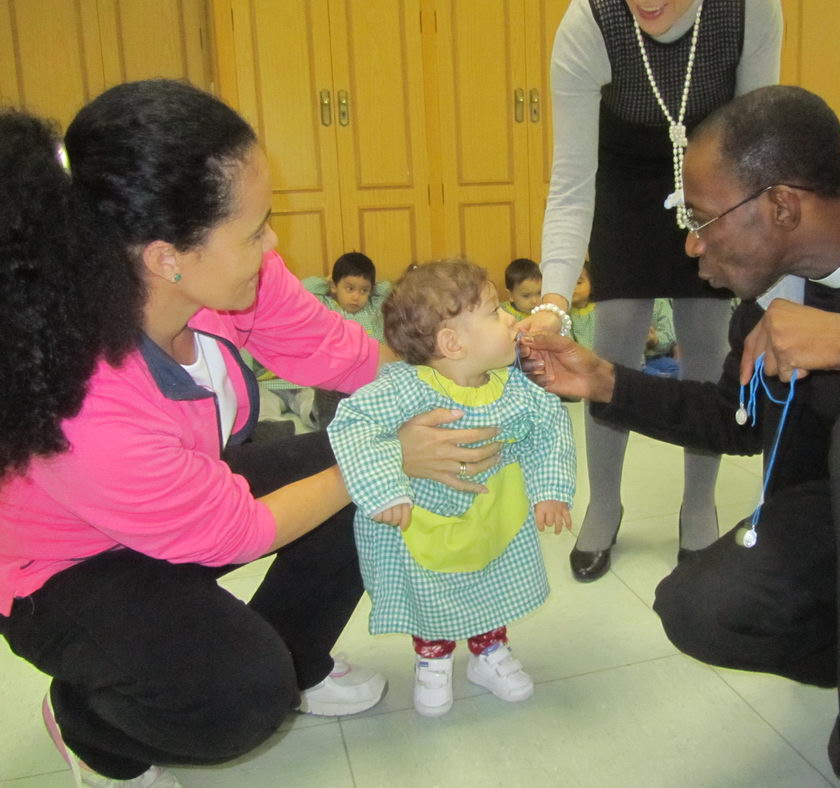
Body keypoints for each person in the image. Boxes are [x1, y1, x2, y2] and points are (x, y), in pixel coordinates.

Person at [521, 85, 840, 787]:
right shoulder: (777, 294)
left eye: (701, 218)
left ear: (781, 205)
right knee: (705, 608)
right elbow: (733, 418)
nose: (690, 241)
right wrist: (604, 382)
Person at [0, 80, 501, 788]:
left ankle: (296, 659)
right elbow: (232, 532)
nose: (273, 242)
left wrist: (464, 367)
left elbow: (346, 354)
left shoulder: (230, 281)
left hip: (183, 500)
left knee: (364, 473)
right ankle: (92, 729)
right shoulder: (90, 396)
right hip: (69, 572)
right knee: (241, 696)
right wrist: (381, 457)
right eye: (255, 226)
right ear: (167, 255)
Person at [519, 0, 783, 581]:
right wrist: (554, 301)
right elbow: (570, 184)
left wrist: (760, 268)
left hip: (717, 185)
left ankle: (697, 506)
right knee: (612, 343)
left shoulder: (748, 12)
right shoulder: (589, 23)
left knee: (708, 349)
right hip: (623, 187)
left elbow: (760, 152)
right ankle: (605, 504)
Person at [328, 260, 575, 718]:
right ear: (452, 343)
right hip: (425, 520)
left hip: (494, 517)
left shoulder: (515, 387)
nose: (509, 318)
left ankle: (489, 652)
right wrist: (384, 487)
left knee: (492, 581)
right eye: (494, 312)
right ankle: (433, 658)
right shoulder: (405, 388)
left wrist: (550, 490)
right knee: (432, 590)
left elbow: (549, 427)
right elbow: (354, 424)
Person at [305, 251, 392, 429]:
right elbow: (300, 289)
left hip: (371, 379)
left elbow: (391, 289)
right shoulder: (327, 306)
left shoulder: (374, 308)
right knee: (327, 391)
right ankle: (327, 424)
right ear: (334, 286)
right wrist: (327, 282)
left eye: (364, 290)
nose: (356, 297)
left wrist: (372, 287)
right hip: (337, 378)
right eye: (349, 288)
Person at [642, 298, 679, 378]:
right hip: (632, 359)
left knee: (679, 373)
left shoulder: (663, 301)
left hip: (655, 357)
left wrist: (655, 340)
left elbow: (668, 337)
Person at [500, 257, 543, 321]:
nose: (535, 301)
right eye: (526, 296)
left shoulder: (547, 311)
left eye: (539, 293)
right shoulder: (502, 313)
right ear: (510, 295)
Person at [568, 260, 597, 349]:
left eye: (578, 282)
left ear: (592, 285)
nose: (572, 287)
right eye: (567, 283)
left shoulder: (600, 310)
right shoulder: (564, 315)